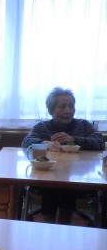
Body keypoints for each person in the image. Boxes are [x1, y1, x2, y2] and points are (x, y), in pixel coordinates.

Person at [22, 87, 105, 224]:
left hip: (78, 176)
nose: (68, 111)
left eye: (71, 106)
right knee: (51, 181)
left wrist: (75, 139)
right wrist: (44, 143)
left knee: (68, 180)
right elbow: (26, 142)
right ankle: (48, 221)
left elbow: (100, 143)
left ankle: (65, 221)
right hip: (48, 175)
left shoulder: (84, 125)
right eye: (62, 107)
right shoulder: (42, 127)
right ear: (51, 110)